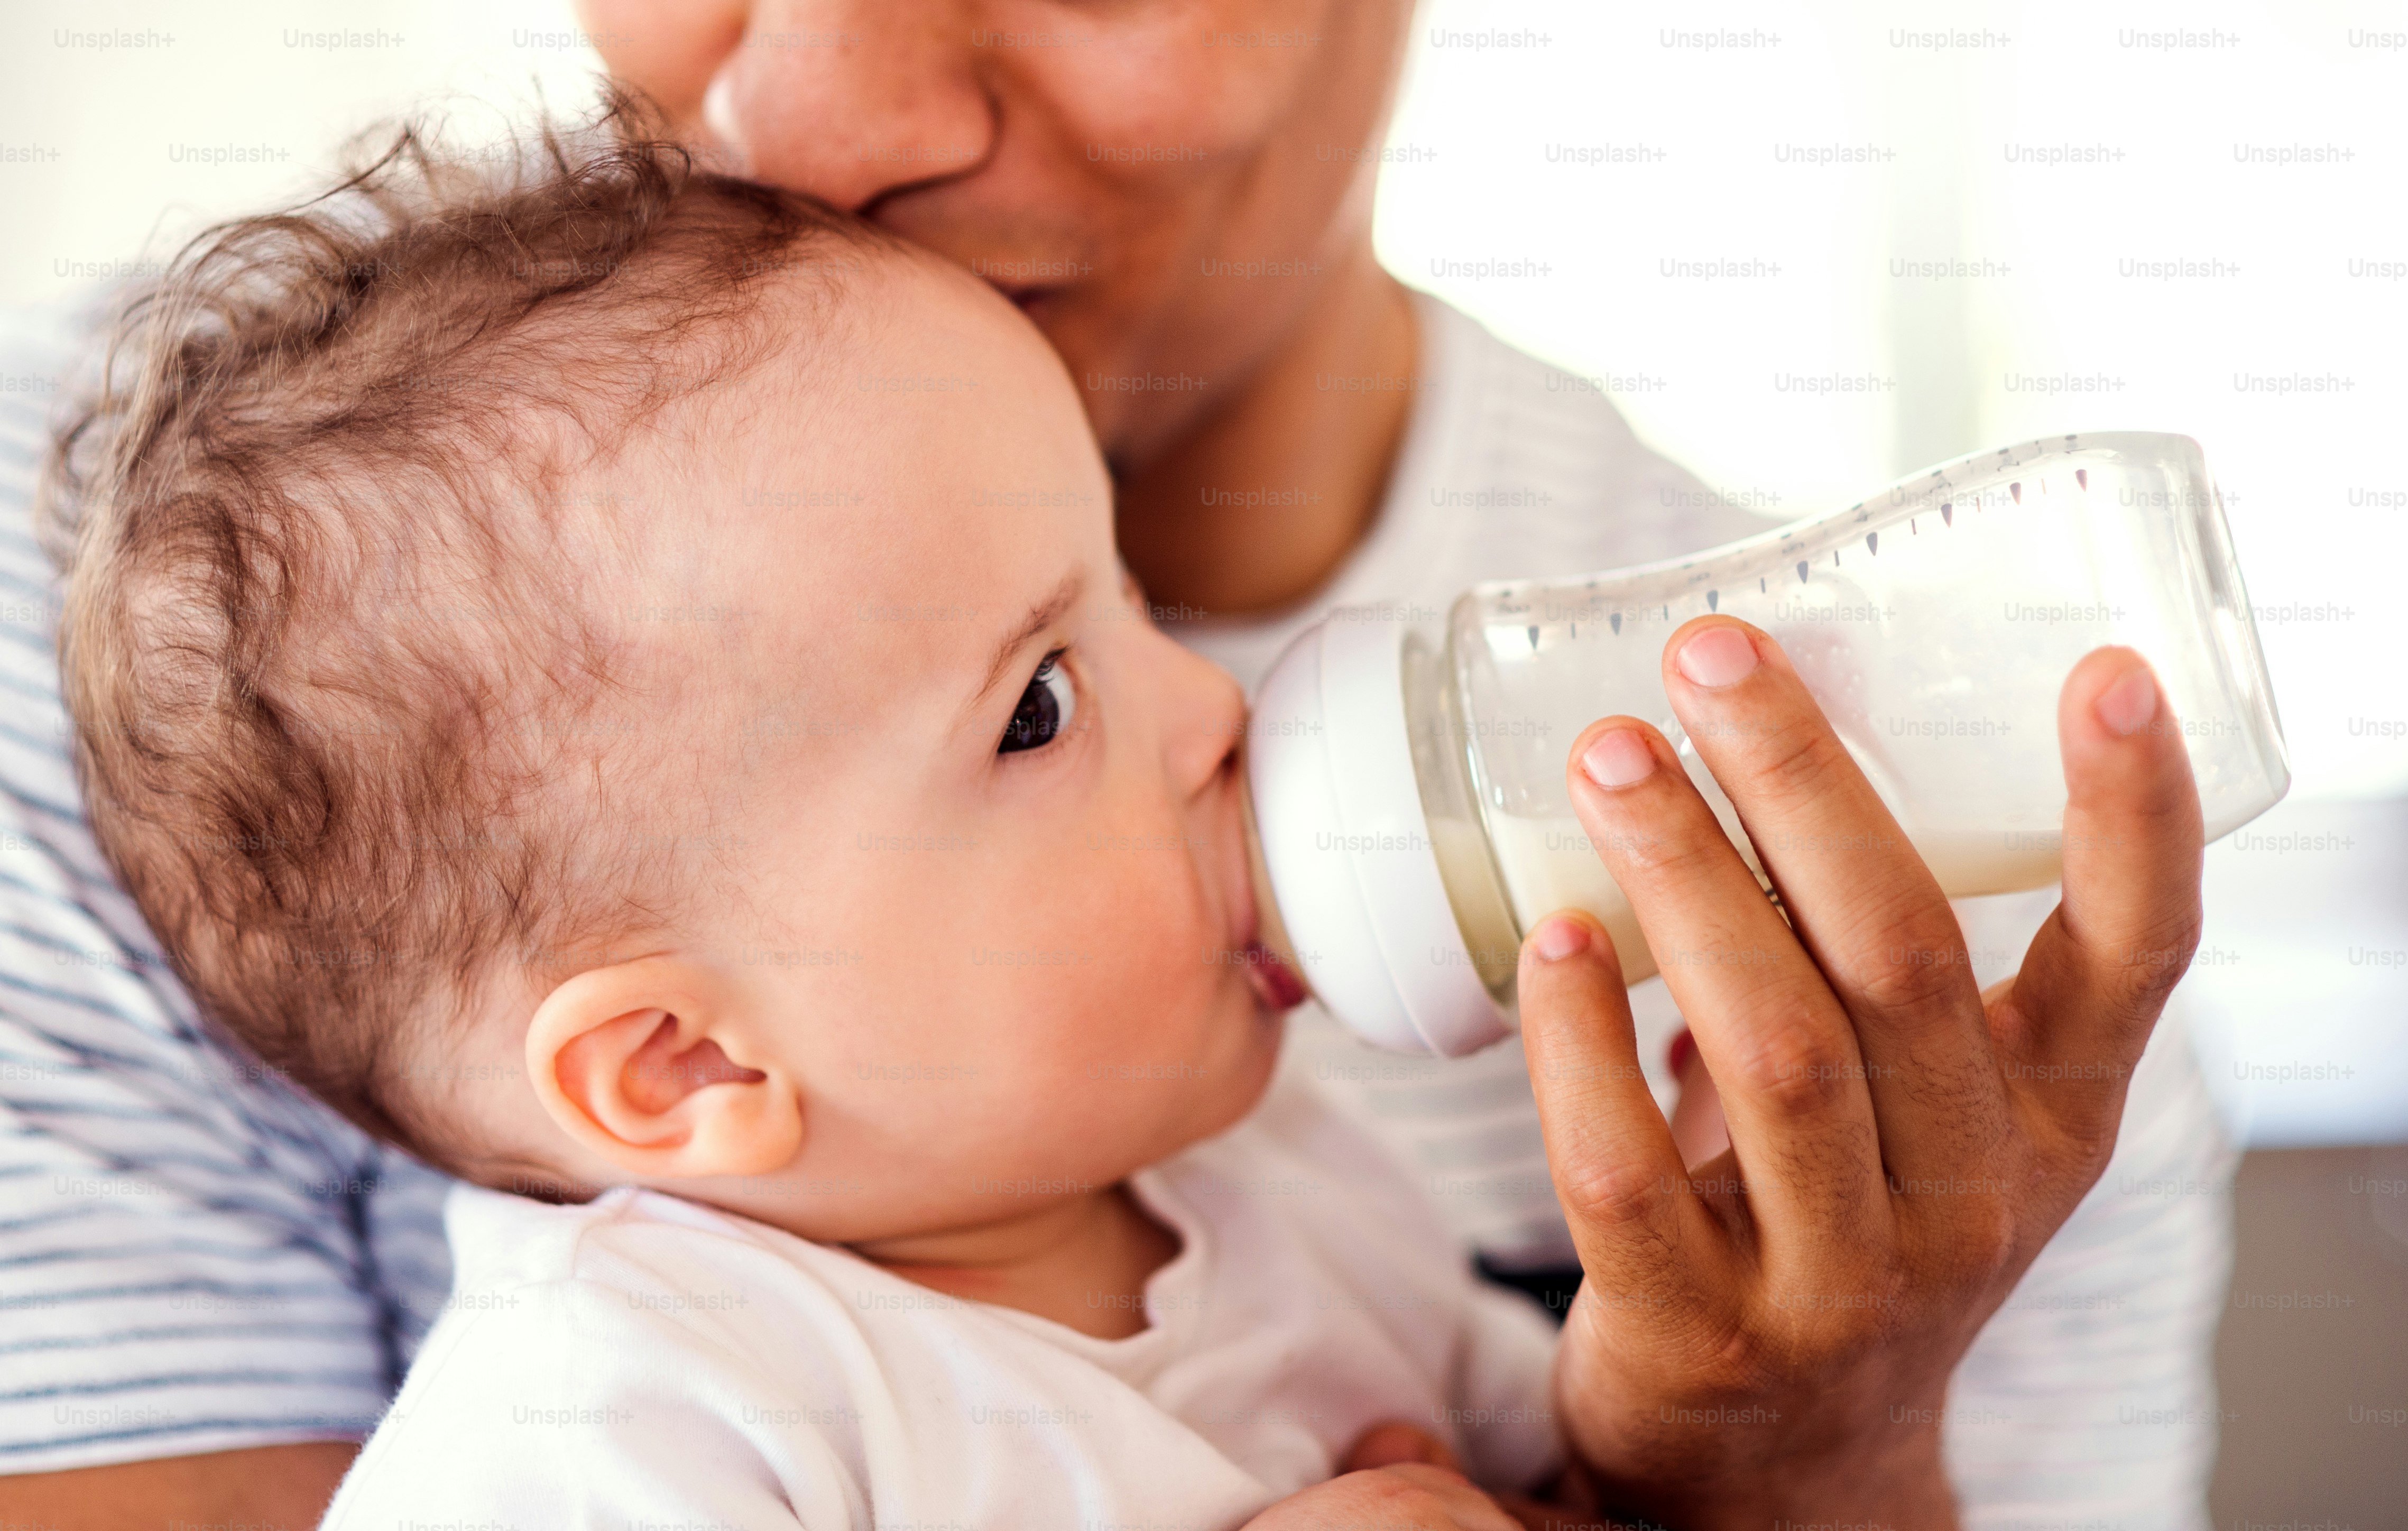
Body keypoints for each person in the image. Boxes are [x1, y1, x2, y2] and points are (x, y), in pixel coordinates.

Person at [0, 3, 2226, 1527]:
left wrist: (1757, 1445)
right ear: (677, 1062)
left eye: (1132, 616)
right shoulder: (639, 1411)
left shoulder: (1285, 1183)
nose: (819, 106)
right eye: (1045, 702)